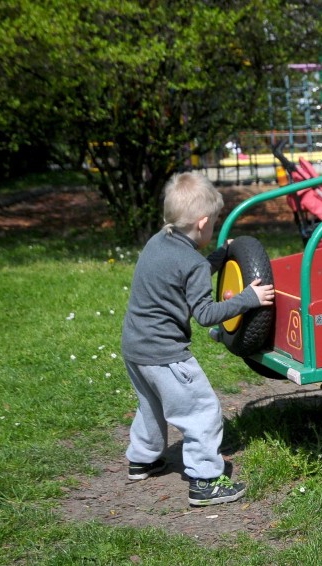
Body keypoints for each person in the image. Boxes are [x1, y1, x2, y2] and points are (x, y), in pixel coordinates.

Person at [121, 170, 274, 507]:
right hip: (166, 353)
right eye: (215, 224)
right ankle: (205, 480)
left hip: (134, 346)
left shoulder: (158, 241)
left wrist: (220, 256)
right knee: (202, 409)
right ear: (204, 224)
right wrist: (248, 298)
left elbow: (187, 272)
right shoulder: (191, 262)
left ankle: (142, 458)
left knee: (151, 403)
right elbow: (204, 313)